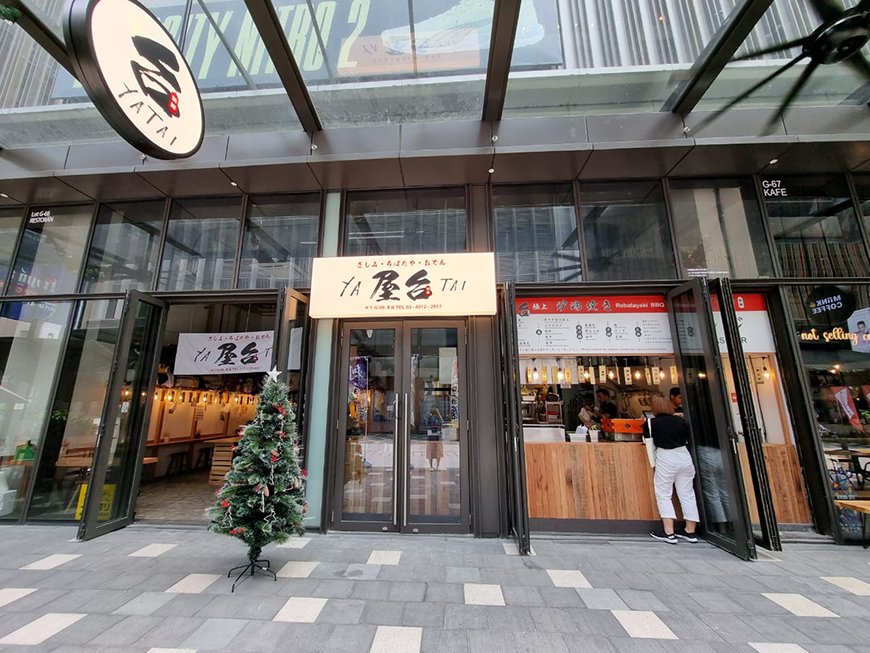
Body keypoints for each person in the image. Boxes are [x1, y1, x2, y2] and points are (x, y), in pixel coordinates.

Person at [643, 395, 700, 544]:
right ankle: (690, 531)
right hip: (684, 456)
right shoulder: (681, 421)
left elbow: (649, 445)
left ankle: (669, 532)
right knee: (687, 494)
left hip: (666, 457)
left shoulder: (650, 423)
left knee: (663, 494)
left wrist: (653, 464)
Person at [422, 404, 444, 471]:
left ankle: (438, 466)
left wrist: (438, 414)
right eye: (433, 409)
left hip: (438, 437)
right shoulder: (428, 415)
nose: (434, 410)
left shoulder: (438, 416)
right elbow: (425, 423)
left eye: (435, 409)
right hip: (430, 437)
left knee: (438, 452)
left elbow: (441, 422)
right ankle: (431, 466)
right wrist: (429, 417)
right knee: (430, 452)